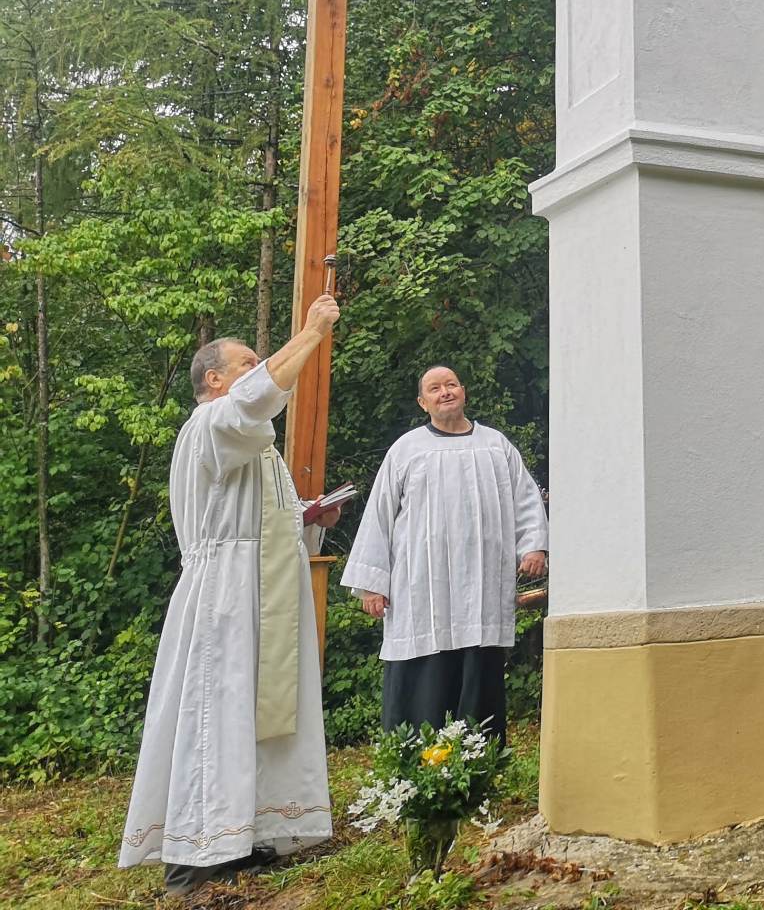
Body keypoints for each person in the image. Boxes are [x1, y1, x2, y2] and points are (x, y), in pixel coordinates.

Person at [119, 296, 345, 898]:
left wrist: (308, 516)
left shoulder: (252, 446)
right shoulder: (210, 422)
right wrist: (310, 334)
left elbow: (266, 521)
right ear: (213, 379)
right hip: (223, 594)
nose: (259, 368)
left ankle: (249, 834)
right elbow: (254, 400)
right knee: (213, 713)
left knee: (256, 716)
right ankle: (193, 853)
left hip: (262, 590)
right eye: (247, 362)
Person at [342, 365, 549, 746]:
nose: (445, 392)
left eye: (451, 384)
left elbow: (525, 498)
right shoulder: (407, 450)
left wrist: (533, 544)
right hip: (421, 588)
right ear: (423, 403)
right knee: (423, 679)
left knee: (479, 676)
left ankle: (479, 767)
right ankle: (412, 770)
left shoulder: (495, 445)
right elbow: (379, 515)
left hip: (481, 587)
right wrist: (372, 584)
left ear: (464, 392)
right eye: (434, 389)